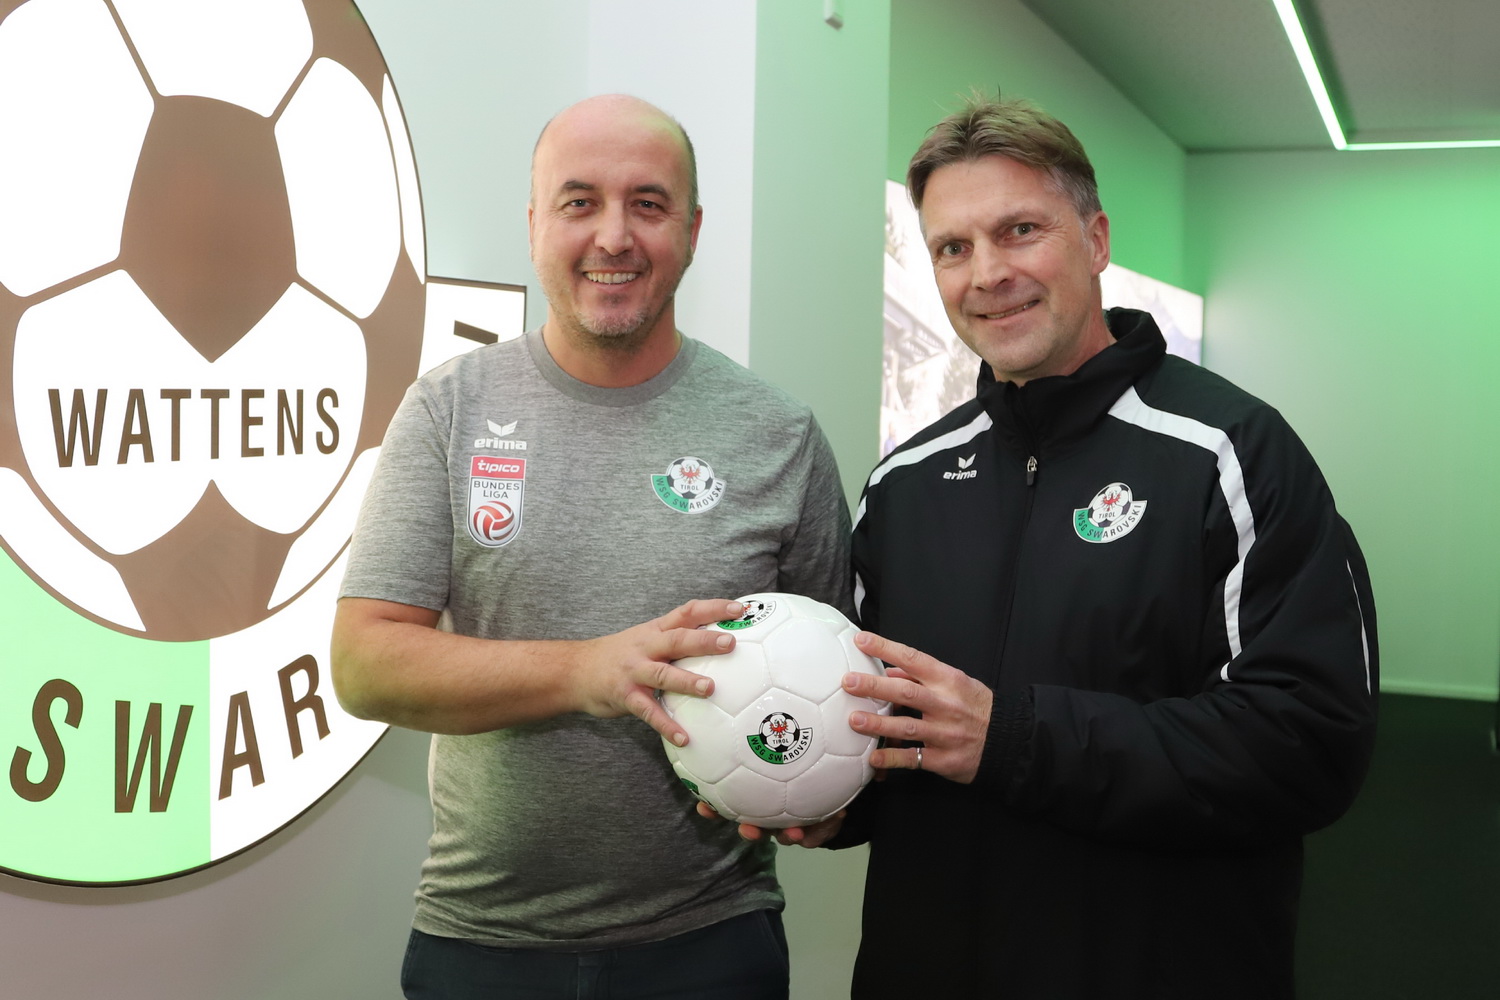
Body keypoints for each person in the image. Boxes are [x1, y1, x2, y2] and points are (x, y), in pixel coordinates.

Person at [799, 97, 1378, 998]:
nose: (988, 273)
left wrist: (1013, 739)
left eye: (1020, 231)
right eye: (953, 247)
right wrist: (824, 794)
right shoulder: (904, 485)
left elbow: (1307, 742)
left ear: (1096, 239)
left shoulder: (1230, 453)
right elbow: (899, 731)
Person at [331, 94, 850, 1000]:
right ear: (534, 223)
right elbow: (364, 664)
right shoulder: (448, 409)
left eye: (648, 204)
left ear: (691, 231)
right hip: (481, 946)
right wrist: (587, 670)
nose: (614, 236)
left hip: (714, 944)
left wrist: (820, 788)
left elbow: (837, 680)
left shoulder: (780, 435)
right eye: (579, 202)